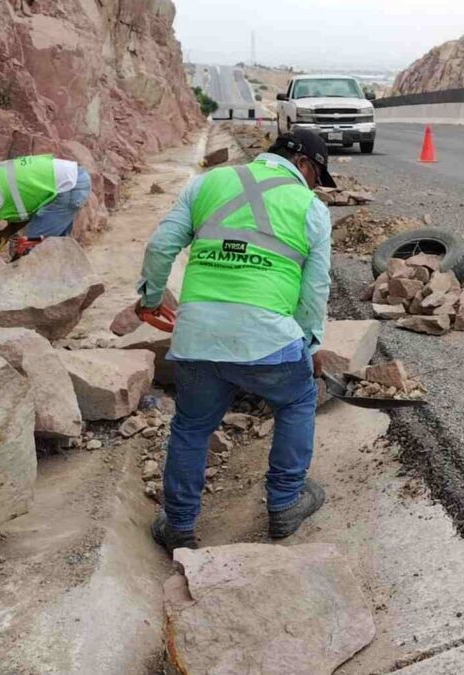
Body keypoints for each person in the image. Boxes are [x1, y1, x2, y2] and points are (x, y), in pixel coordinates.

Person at [137, 128, 336, 555]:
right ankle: (284, 503)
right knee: (297, 400)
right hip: (270, 340)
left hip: (198, 336)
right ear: (304, 165)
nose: (316, 186)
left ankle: (180, 525)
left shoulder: (207, 183)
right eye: (318, 176)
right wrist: (310, 346)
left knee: (191, 426)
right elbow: (314, 291)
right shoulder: (311, 209)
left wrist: (150, 300)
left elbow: (159, 247)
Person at [0, 155, 92, 275]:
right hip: (72, 179)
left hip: (69, 186)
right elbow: (29, 211)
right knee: (53, 247)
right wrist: (6, 233)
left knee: (26, 250)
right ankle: (65, 285)